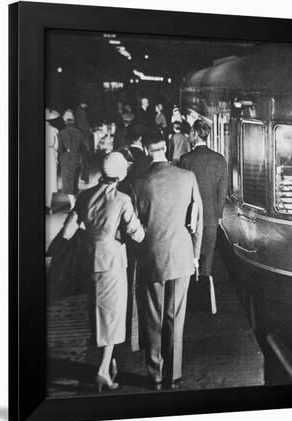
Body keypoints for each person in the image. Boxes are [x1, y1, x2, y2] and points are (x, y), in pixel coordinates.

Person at [61, 152, 145, 392]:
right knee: (113, 316)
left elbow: (67, 231)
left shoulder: (85, 196)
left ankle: (110, 365)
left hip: (90, 262)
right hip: (112, 263)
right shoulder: (122, 199)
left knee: (97, 312)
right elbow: (136, 234)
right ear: (120, 175)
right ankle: (102, 371)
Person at [133, 131, 203, 390]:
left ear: (146, 148)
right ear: (167, 147)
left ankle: (155, 374)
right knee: (176, 316)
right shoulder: (187, 177)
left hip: (151, 258)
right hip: (182, 256)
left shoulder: (139, 182)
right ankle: (174, 374)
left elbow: (135, 225)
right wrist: (196, 254)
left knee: (153, 318)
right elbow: (199, 218)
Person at [179, 119, 227, 307]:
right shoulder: (219, 159)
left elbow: (182, 190)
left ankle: (189, 295)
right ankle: (205, 298)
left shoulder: (186, 160)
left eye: (191, 132)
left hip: (190, 215)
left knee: (191, 254)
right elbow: (222, 191)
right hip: (211, 216)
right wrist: (218, 215)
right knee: (208, 255)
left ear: (196, 134)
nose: (189, 135)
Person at [58, 110, 87, 209]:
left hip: (66, 160)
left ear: (65, 121)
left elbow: (60, 148)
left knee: (67, 182)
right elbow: (83, 147)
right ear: (73, 121)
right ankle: (76, 202)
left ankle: (72, 204)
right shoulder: (79, 132)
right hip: (76, 159)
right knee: (75, 181)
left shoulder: (61, 133)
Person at [45, 109, 60, 214]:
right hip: (50, 153)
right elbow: (57, 146)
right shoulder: (54, 130)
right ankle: (49, 205)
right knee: (50, 180)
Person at [75, 102, 92, 184]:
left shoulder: (79, 111)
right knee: (85, 160)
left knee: (81, 160)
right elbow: (84, 125)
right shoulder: (81, 112)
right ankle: (85, 178)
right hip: (84, 141)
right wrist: (89, 129)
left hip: (80, 141)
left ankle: (82, 177)